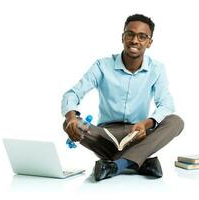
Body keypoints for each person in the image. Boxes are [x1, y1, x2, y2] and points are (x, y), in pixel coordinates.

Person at [62, 14, 184, 181]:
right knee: (71, 123)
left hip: (138, 134)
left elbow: (166, 104)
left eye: (142, 36)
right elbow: (73, 94)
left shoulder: (157, 69)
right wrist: (71, 119)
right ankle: (139, 161)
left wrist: (146, 123)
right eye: (130, 34)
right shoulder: (102, 65)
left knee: (175, 121)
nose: (135, 40)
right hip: (105, 135)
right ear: (123, 37)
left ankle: (116, 165)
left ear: (149, 42)